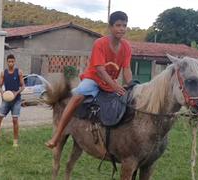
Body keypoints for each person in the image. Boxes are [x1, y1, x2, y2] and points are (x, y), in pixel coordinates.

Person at [46, 11, 133, 149]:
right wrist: (115, 86)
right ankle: (57, 135)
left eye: (124, 25)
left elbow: (127, 69)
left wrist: (131, 85)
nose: (121, 28)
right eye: (118, 25)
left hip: (111, 83)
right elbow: (99, 69)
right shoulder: (100, 43)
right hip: (93, 79)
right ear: (110, 27)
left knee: (126, 102)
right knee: (76, 98)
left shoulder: (127, 47)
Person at [0, 54, 25, 147]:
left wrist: (16, 93)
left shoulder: (19, 72)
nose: (11, 63)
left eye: (12, 61)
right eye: (9, 61)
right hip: (6, 99)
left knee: (15, 119)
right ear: (7, 62)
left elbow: (23, 86)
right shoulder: (3, 73)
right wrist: (2, 93)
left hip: (16, 100)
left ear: (14, 62)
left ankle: (15, 141)